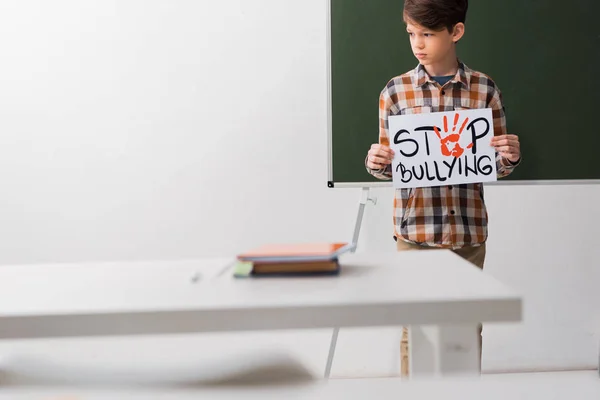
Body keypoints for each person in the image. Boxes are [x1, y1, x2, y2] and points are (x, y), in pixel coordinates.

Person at [364, 0, 521, 377]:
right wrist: (377, 164)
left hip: (467, 231)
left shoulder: (484, 89)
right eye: (411, 33)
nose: (417, 43)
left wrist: (509, 157)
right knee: (414, 327)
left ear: (456, 32)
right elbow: (394, 168)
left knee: (465, 327)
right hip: (415, 231)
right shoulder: (396, 92)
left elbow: (494, 163)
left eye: (428, 34)